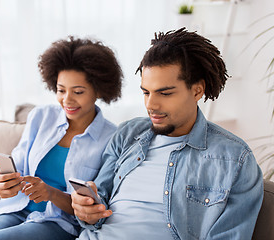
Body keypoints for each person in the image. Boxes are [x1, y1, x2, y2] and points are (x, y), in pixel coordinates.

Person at [71, 28, 263, 240]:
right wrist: (86, 209)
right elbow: (99, 203)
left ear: (197, 91)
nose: (151, 105)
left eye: (165, 93)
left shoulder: (234, 159)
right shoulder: (127, 134)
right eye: (146, 92)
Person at [0, 36, 123, 240]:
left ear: (99, 90)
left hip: (59, 223)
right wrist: (4, 183)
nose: (67, 100)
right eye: (61, 90)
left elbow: (92, 207)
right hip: (15, 208)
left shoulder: (112, 139)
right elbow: (19, 168)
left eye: (78, 91)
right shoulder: (41, 117)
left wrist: (50, 193)